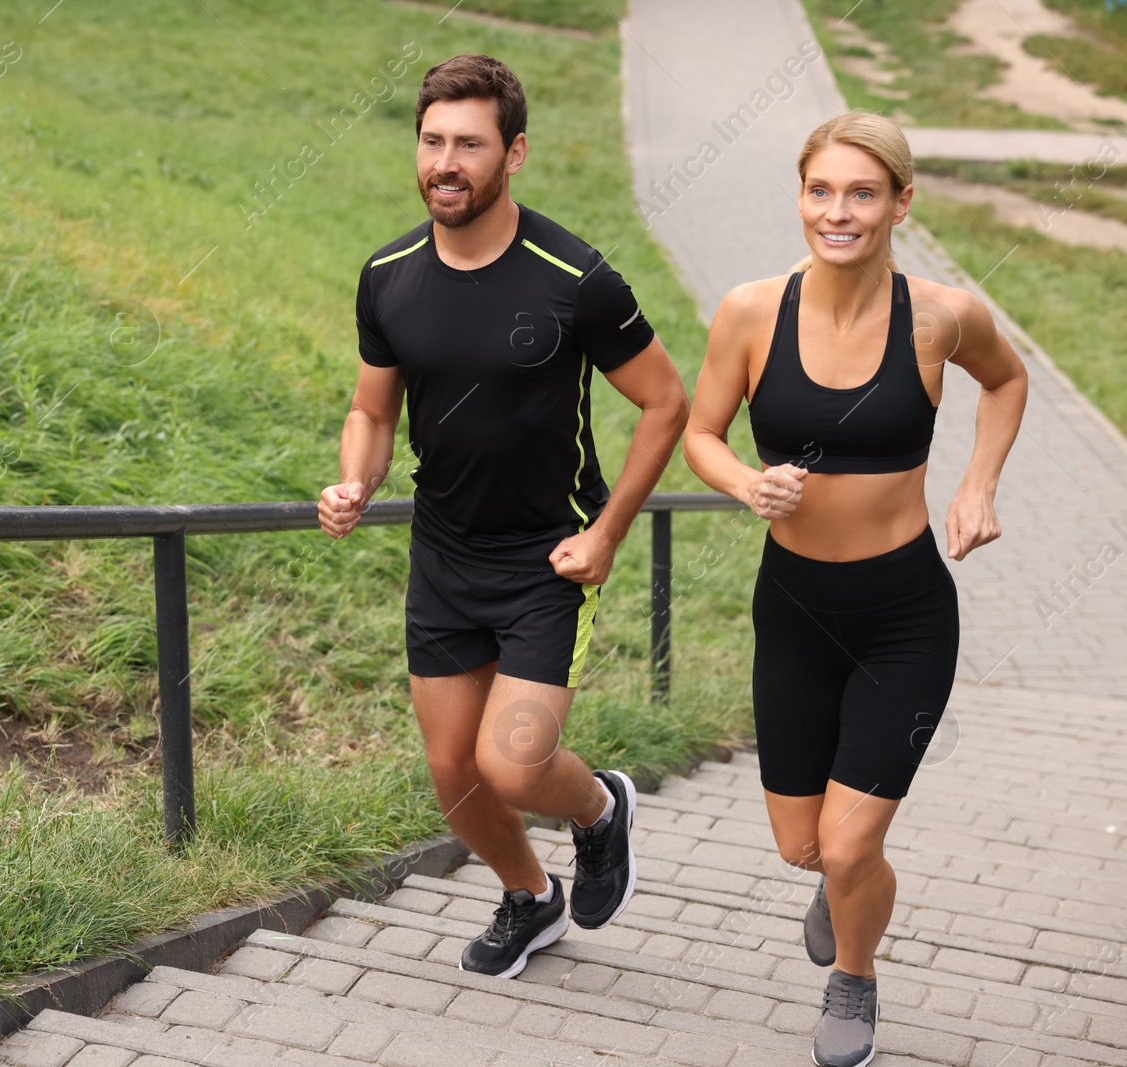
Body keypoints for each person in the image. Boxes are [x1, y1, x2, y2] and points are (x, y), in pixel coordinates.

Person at [319, 54, 689, 979]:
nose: (447, 161)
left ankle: (601, 810)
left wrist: (606, 534)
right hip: (443, 554)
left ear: (513, 153)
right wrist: (354, 481)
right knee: (456, 772)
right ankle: (530, 897)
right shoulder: (389, 274)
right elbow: (371, 410)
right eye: (433, 141)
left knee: (516, 761)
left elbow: (667, 401)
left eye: (470, 145)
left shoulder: (576, 278)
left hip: (547, 556)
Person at [683, 111, 1028, 1067]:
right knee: (808, 847)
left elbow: (1007, 381)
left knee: (845, 848)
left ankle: (856, 980)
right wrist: (746, 482)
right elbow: (701, 432)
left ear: (901, 203)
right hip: (791, 611)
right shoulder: (751, 311)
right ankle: (842, 873)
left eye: (863, 193)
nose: (839, 211)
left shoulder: (942, 316)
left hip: (903, 615)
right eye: (821, 190)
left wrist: (976, 484)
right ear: (801, 197)